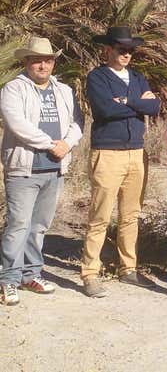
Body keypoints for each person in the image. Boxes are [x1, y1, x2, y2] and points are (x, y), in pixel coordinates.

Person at [0, 37, 83, 306]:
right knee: (18, 225)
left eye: (47, 60)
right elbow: (17, 124)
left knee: (39, 227)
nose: (42, 65)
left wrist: (67, 144)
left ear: (53, 63)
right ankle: (8, 280)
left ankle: (30, 274)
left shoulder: (64, 91)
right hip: (23, 168)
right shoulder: (13, 89)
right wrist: (51, 144)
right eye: (36, 60)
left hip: (55, 168)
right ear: (26, 62)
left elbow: (77, 122)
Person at [81, 26, 160, 298]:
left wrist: (126, 101)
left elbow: (154, 107)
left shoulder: (138, 77)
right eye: (121, 49)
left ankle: (128, 268)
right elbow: (104, 109)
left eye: (130, 50)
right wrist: (138, 103)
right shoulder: (97, 77)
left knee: (131, 215)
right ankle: (90, 273)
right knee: (100, 216)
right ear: (108, 50)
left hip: (136, 153)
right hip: (108, 153)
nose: (126, 54)